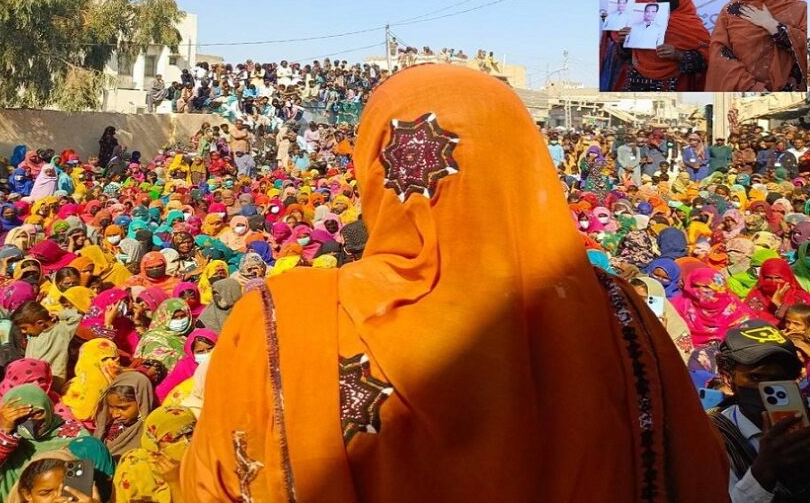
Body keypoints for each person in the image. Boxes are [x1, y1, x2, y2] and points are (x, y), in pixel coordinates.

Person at [183, 64, 727, 501]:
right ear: (523, 160)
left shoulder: (285, 318)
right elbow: (695, 479)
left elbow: (213, 483)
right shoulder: (615, 318)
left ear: (372, 167)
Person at [710, 321, 810, 500]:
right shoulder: (710, 435)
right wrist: (765, 469)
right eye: (756, 377)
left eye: (779, 378)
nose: (767, 387)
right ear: (727, 377)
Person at [0, 384, 88, 503]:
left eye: (37, 413)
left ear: (49, 408)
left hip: (59, 497)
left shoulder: (74, 434)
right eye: (21, 417)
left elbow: (81, 483)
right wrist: (5, 429)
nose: (31, 422)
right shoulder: (10, 438)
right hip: (17, 496)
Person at [706, 0, 807, 91]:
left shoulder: (799, 9)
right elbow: (720, 52)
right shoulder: (732, 10)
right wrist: (751, 87)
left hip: (789, 93)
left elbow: (805, 47)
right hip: (744, 91)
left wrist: (771, 25)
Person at [113, 406, 196, 503]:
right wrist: (174, 483)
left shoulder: (205, 463)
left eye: (190, 434)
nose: (186, 443)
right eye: (174, 439)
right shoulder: (136, 467)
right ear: (154, 443)